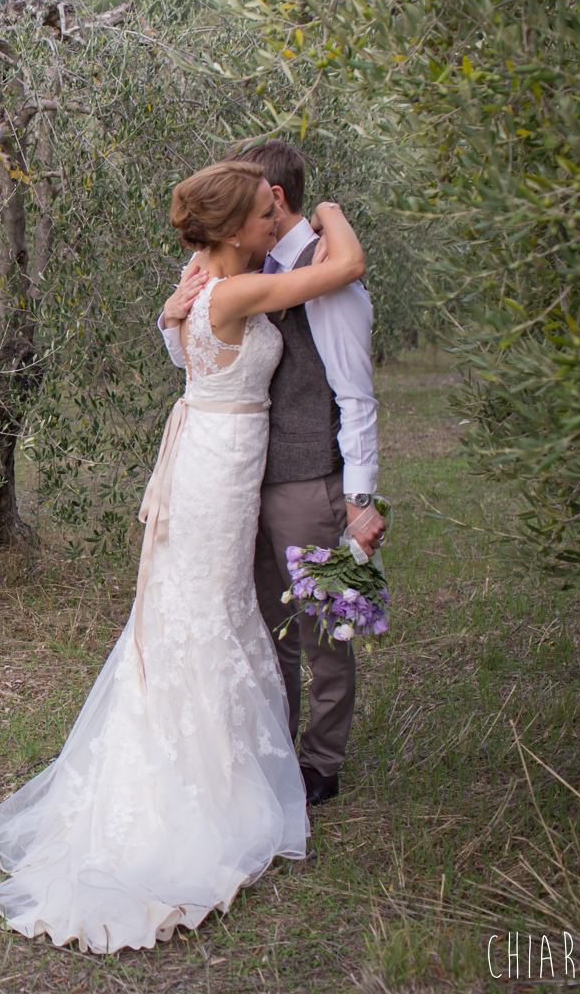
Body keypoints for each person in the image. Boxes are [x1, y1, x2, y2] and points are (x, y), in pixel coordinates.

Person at [0, 159, 368, 953]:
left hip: (278, 472)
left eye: (275, 210)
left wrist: (366, 494)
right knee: (223, 613)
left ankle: (317, 759)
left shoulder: (219, 280)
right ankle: (236, 775)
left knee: (299, 619)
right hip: (222, 470)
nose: (272, 222)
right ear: (228, 229)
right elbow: (337, 265)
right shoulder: (235, 285)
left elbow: (344, 382)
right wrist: (329, 205)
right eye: (261, 214)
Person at [160, 141, 384, 807]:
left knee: (323, 625)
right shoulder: (233, 264)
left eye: (260, 201)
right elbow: (193, 353)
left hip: (307, 480)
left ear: (274, 201)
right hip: (231, 482)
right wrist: (171, 315)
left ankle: (322, 760)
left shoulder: (327, 274)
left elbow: (356, 396)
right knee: (261, 625)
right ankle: (272, 749)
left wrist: (360, 497)